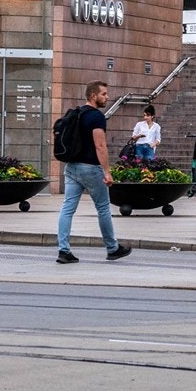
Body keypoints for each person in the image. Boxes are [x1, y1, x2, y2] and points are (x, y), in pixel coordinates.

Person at [54, 81, 131, 264]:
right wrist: (107, 172)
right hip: (90, 168)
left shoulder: (77, 113)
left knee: (67, 208)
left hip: (71, 167)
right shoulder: (96, 117)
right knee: (103, 208)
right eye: (103, 94)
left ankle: (63, 250)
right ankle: (112, 248)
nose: (107, 97)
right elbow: (100, 146)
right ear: (93, 96)